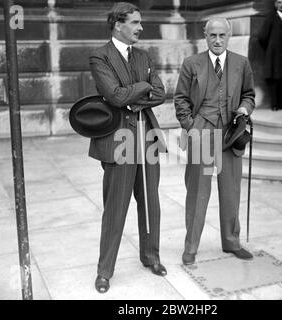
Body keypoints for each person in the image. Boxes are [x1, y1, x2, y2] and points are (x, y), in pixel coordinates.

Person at [89, 2, 167, 293]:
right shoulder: (100, 56)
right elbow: (114, 95)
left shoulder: (144, 55)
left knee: (150, 202)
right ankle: (104, 271)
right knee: (116, 207)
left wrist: (135, 94)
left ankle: (151, 257)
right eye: (134, 23)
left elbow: (160, 92)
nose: (140, 28)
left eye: (140, 22)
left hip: (147, 137)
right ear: (117, 24)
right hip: (118, 141)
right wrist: (142, 86)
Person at [174, 18, 255, 265]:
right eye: (212, 36)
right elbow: (181, 100)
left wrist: (244, 108)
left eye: (222, 35)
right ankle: (191, 247)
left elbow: (249, 95)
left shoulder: (241, 63)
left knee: (231, 191)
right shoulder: (192, 64)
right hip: (202, 133)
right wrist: (191, 126)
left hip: (231, 135)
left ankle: (231, 242)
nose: (217, 40)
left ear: (229, 35)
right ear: (205, 36)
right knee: (198, 192)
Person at [258, 0, 282, 114]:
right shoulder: (271, 18)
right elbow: (262, 37)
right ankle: (275, 104)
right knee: (275, 79)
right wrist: (271, 47)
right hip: (274, 54)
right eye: (279, 2)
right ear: (275, 5)